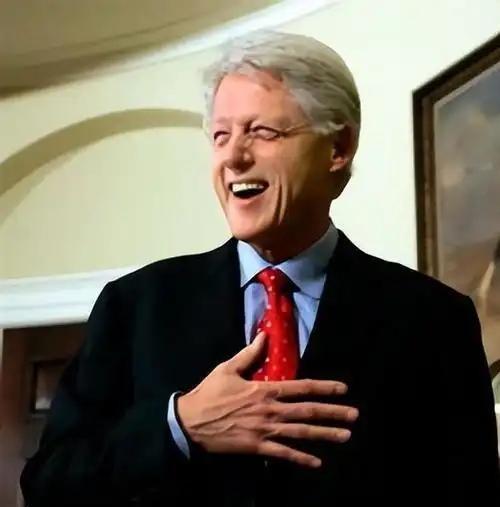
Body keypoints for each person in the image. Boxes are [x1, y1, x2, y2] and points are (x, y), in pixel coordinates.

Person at [20, 31, 499, 505]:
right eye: (221, 136)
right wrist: (180, 426)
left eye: (263, 132)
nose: (233, 156)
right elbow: (49, 485)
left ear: (339, 148)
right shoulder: (135, 307)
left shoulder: (434, 319)